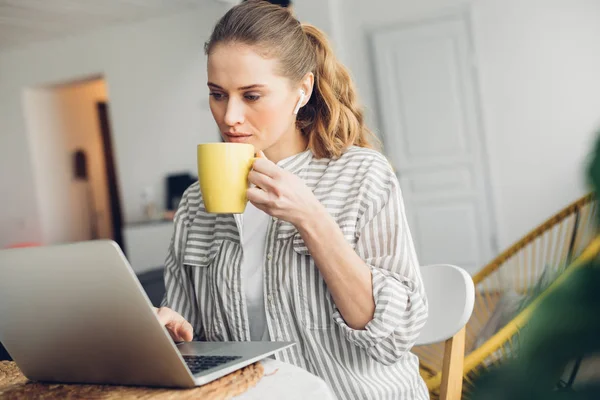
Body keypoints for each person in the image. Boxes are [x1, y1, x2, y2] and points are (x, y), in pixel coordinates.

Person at [157, 1, 429, 398]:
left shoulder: (361, 175)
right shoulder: (196, 204)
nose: (229, 115)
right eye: (218, 94)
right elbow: (188, 338)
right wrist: (166, 332)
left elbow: (395, 337)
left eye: (251, 96)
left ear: (302, 89)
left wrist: (311, 218)